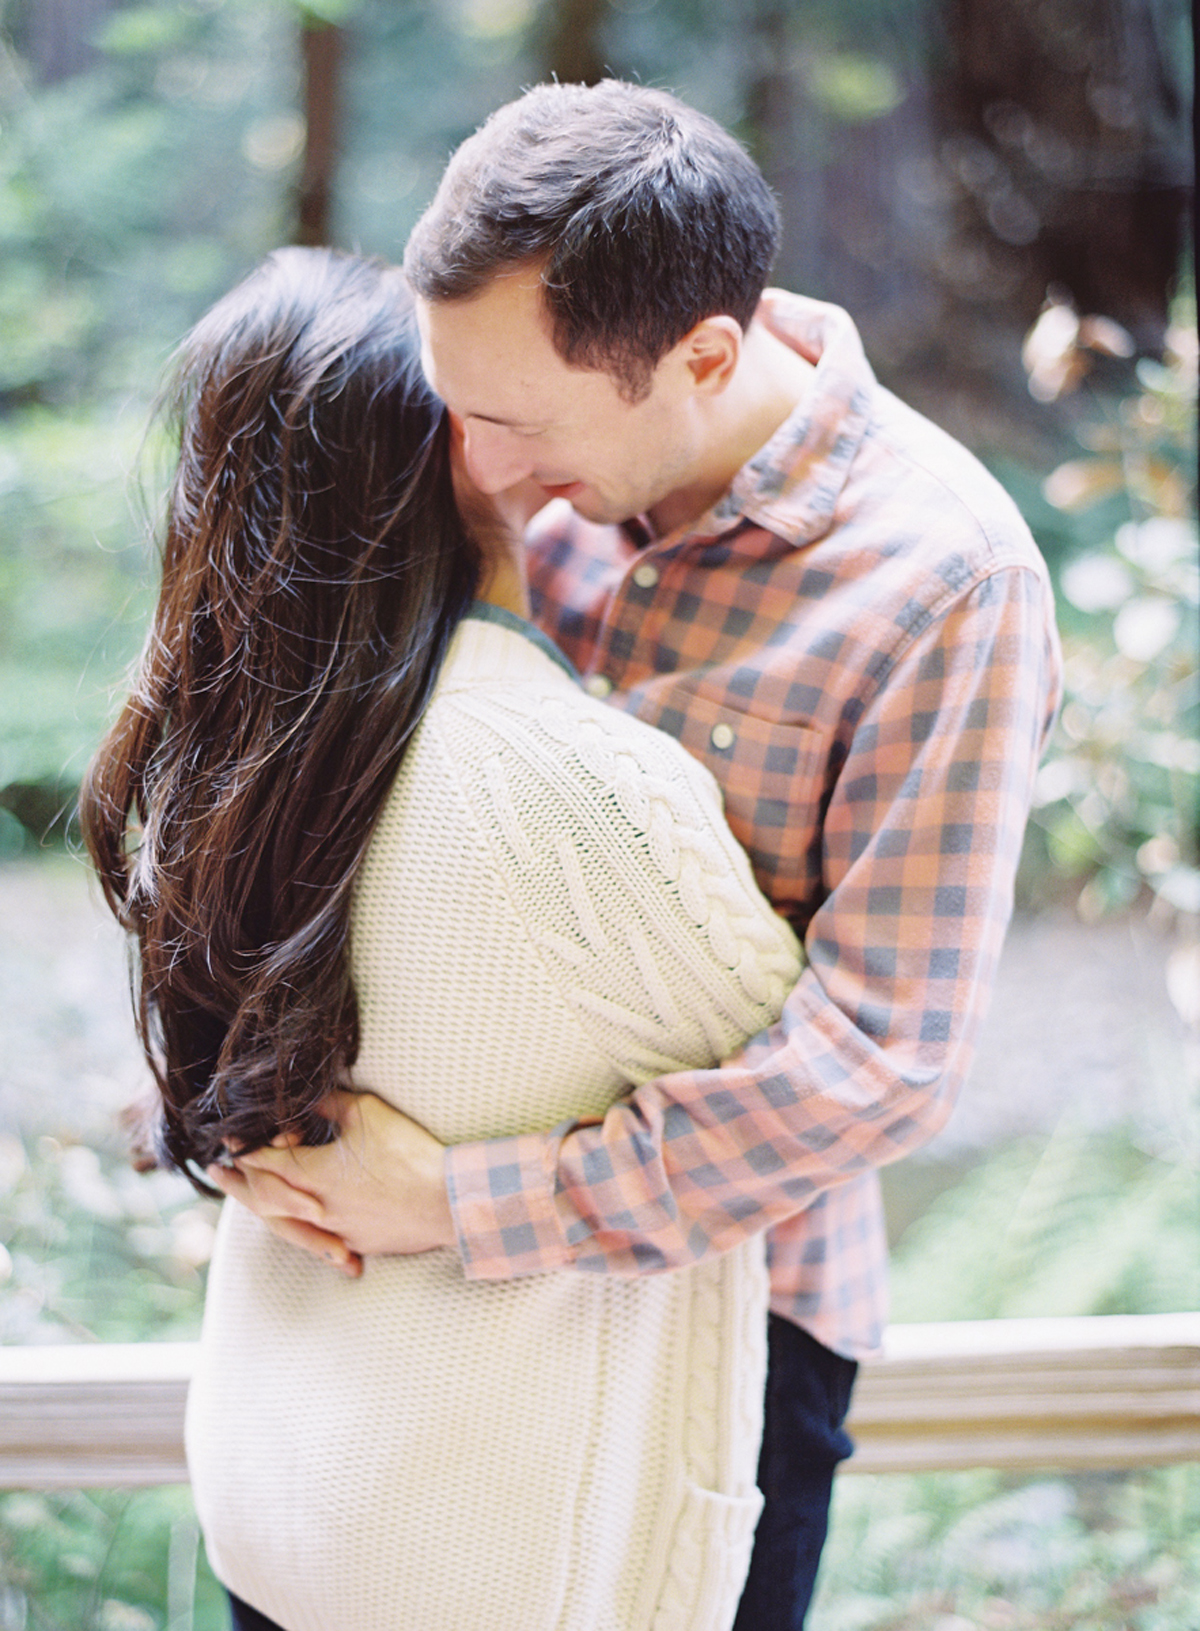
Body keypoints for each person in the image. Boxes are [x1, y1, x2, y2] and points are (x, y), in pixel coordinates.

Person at [217, 82, 1064, 1626]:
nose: (464, 464)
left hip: (720, 1315)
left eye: (514, 424)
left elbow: (883, 1059)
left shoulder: (947, 583)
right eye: (450, 398)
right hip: (384, 1280)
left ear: (705, 359)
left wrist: (467, 1204)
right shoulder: (512, 442)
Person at [80, 245, 805, 1631]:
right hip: (502, 1559)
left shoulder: (216, 757)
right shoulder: (569, 787)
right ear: (459, 450)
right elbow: (805, 1095)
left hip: (285, 1498)